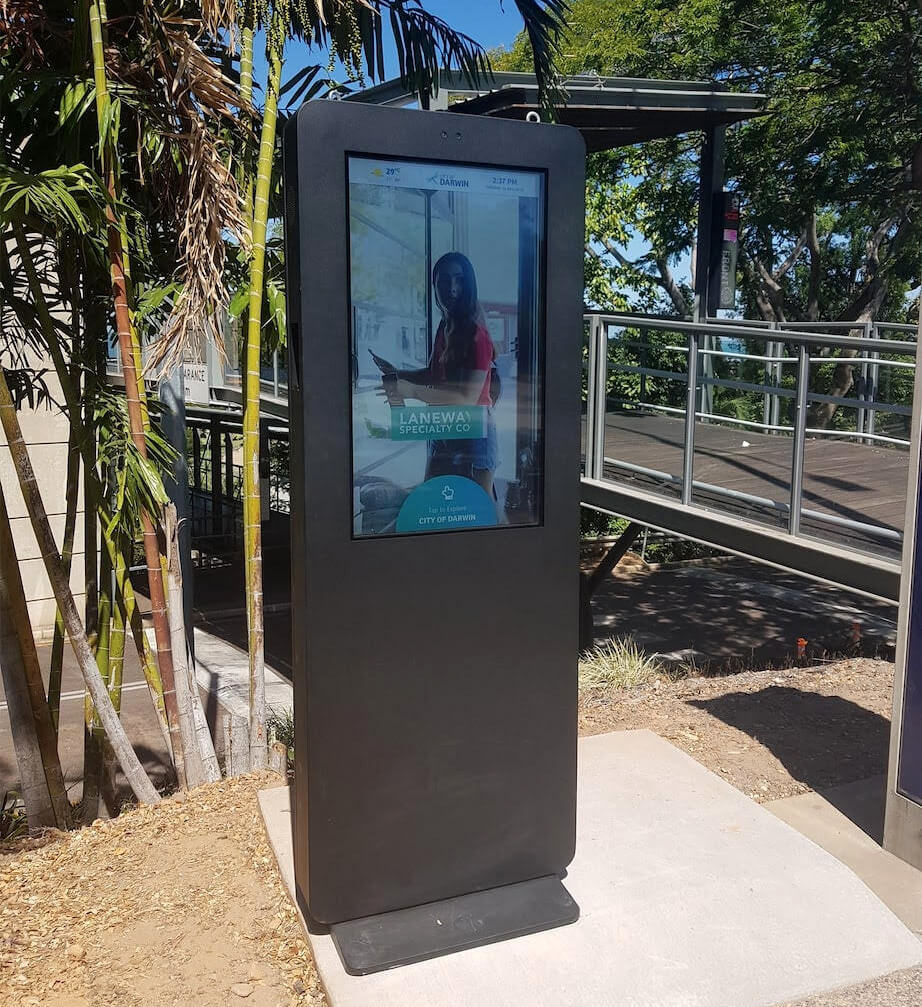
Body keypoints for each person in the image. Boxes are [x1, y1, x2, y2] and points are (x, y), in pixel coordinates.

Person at [370, 251, 499, 497]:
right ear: (435, 286)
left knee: (476, 509)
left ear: (469, 285)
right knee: (435, 499)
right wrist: (398, 373)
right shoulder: (445, 325)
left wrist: (412, 391)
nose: (452, 288)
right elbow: (434, 374)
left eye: (459, 280)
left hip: (474, 432)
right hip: (443, 425)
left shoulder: (476, 334)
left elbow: (467, 399)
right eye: (444, 281)